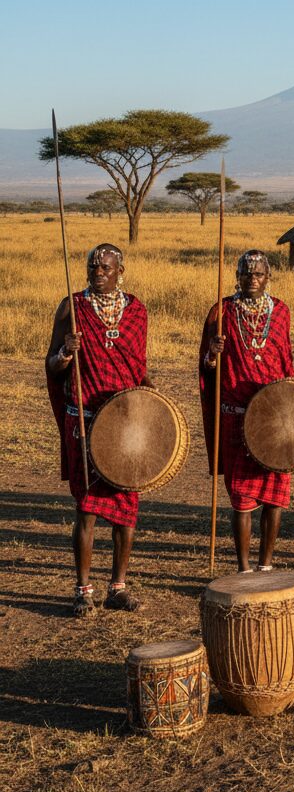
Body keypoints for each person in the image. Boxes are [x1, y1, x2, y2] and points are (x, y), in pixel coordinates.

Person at [45, 244, 149, 616]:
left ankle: (117, 588)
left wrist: (152, 400)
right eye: (93, 267)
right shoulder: (71, 308)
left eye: (106, 267)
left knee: (126, 509)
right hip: (85, 419)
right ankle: (83, 590)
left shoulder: (136, 311)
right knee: (87, 509)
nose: (98, 272)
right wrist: (65, 353)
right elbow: (52, 364)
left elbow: (139, 366)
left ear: (120, 270)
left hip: (124, 422)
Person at [200, 250, 294, 573]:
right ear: (237, 276)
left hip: (273, 416)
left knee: (275, 494)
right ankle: (243, 568)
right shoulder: (222, 311)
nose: (252, 279)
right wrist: (213, 354)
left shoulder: (280, 311)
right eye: (246, 273)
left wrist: (290, 403)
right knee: (242, 498)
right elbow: (206, 368)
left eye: (258, 274)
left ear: (268, 277)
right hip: (236, 414)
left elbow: (286, 359)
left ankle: (266, 564)